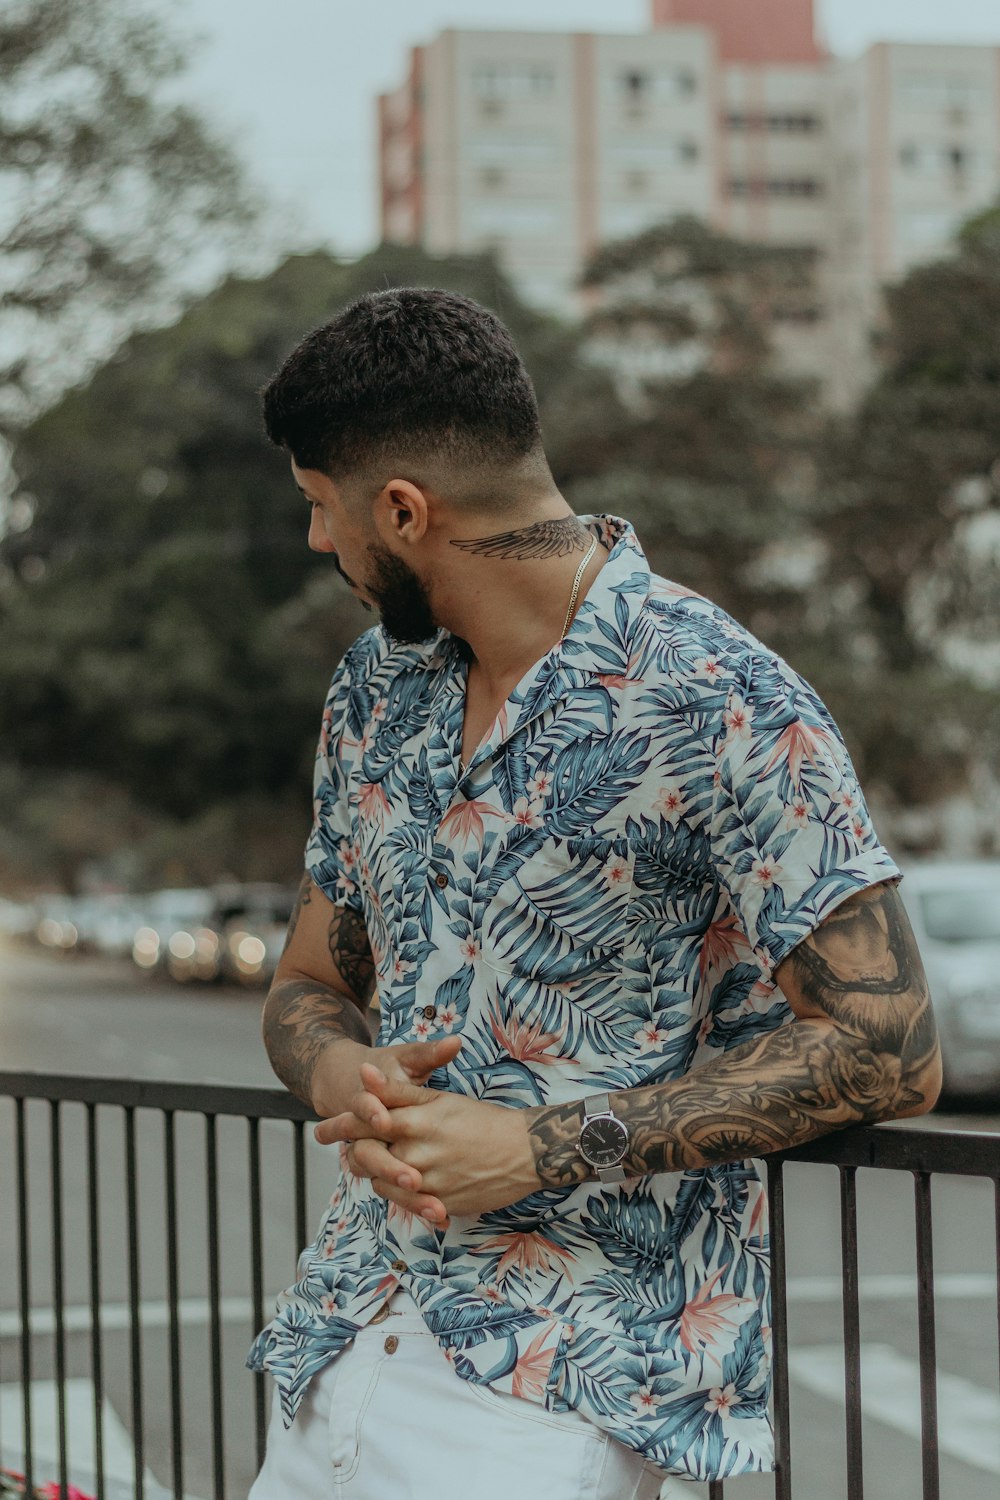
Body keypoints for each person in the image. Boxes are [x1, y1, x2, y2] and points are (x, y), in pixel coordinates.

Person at [246, 287, 940, 1499]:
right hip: (342, 1340)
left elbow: (890, 1048)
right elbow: (308, 981)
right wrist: (336, 1070)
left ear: (403, 511)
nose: (320, 543)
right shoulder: (374, 688)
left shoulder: (723, 698)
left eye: (322, 508)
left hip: (548, 1396)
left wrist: (538, 1145)